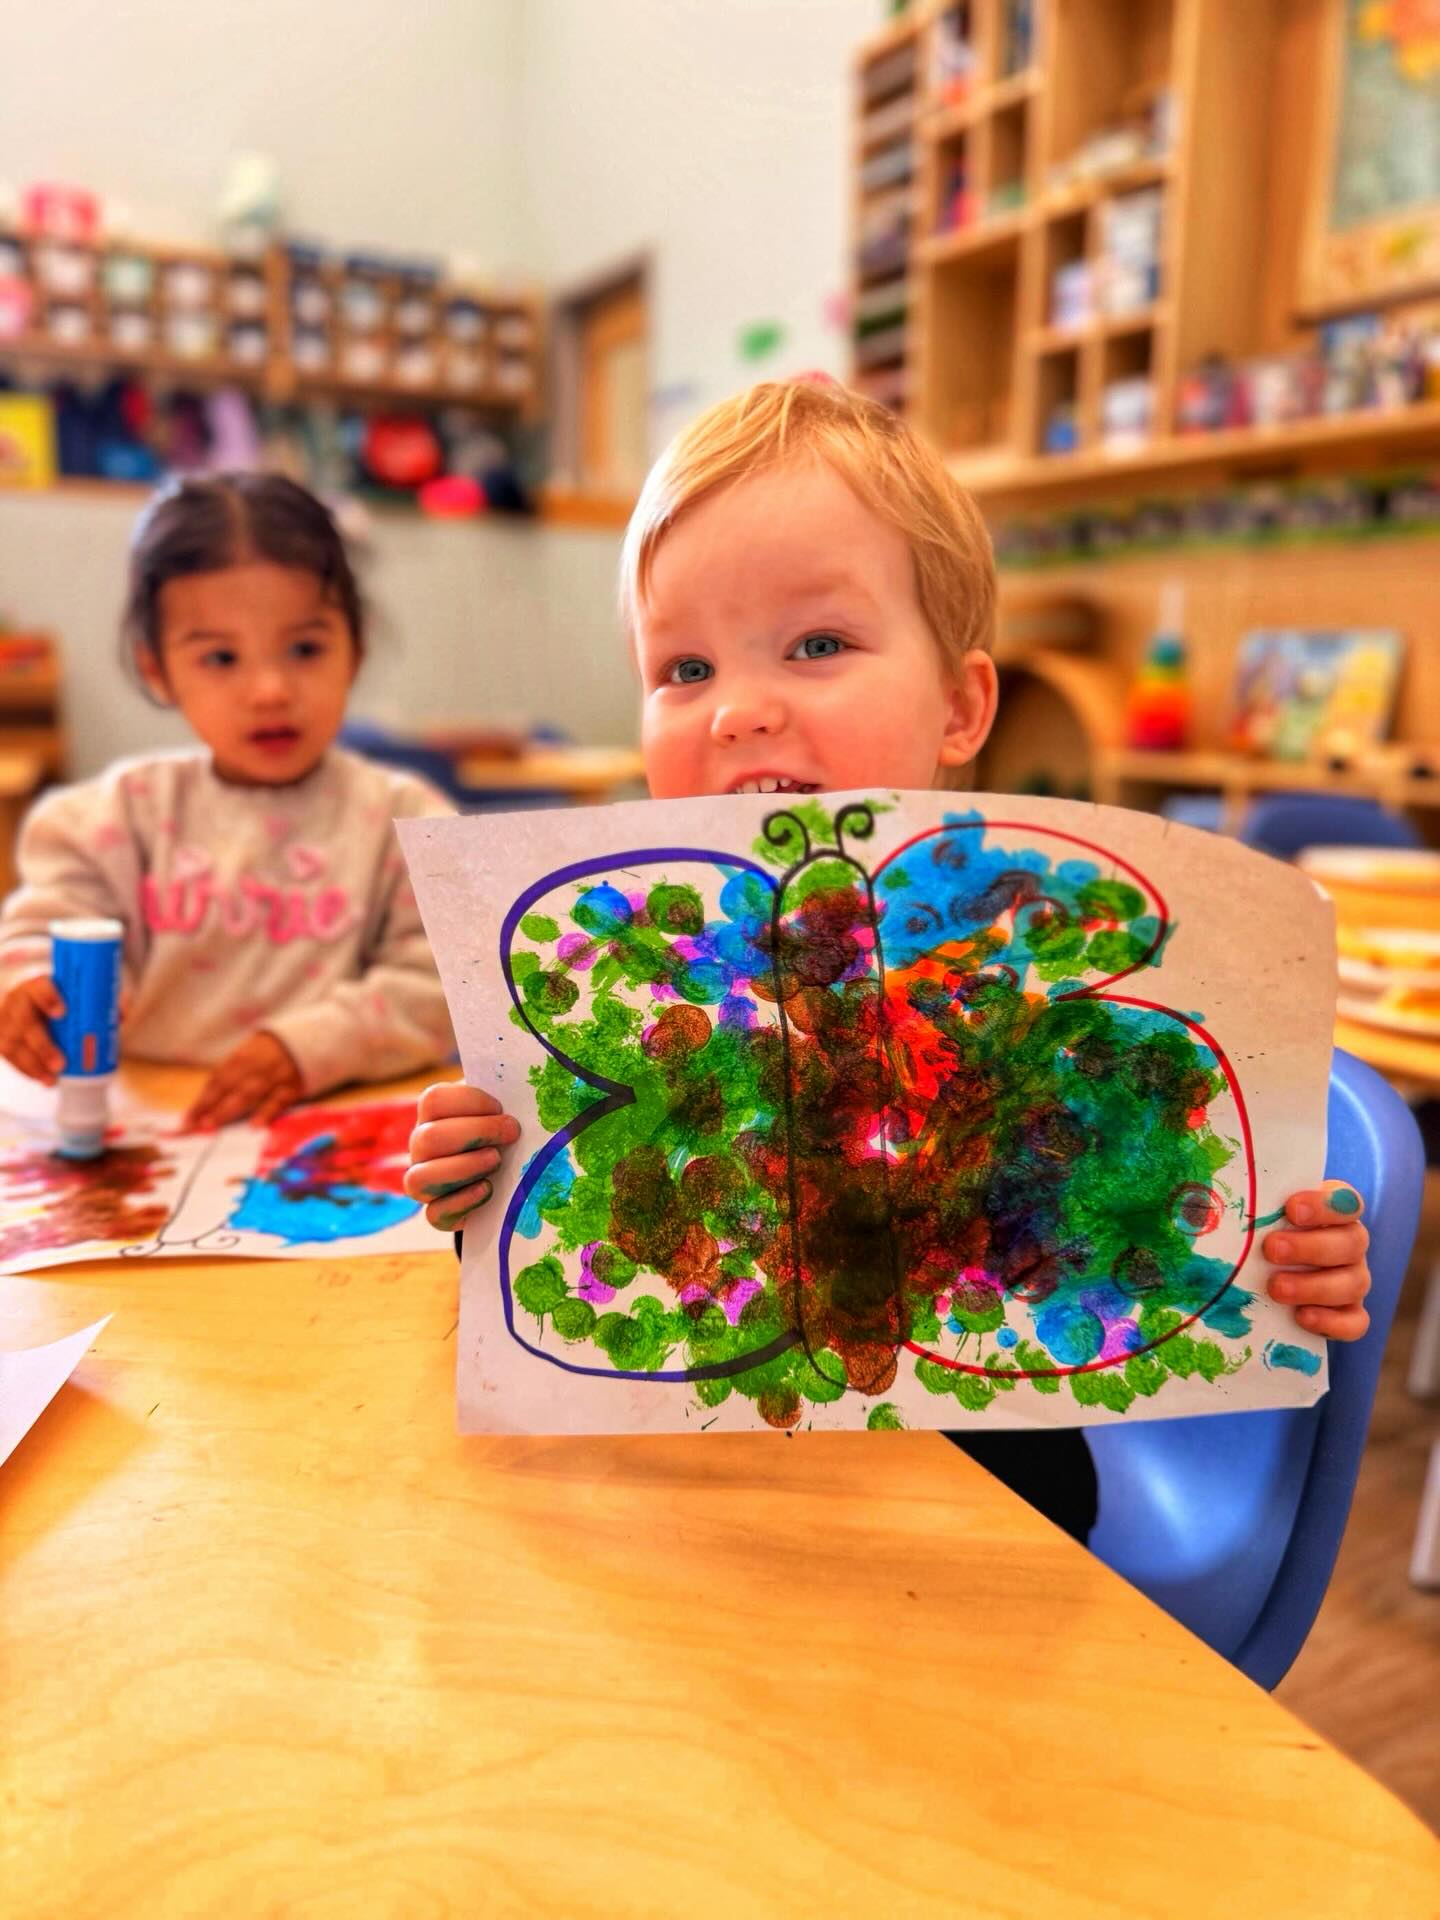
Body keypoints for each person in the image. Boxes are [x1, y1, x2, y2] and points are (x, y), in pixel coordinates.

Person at [401, 379, 1370, 1539]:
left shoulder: (1031, 966)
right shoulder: (648, 971)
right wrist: (479, 1169)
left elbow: (1168, 1222)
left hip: (985, 1504)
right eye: (685, 669)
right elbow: (581, 1226)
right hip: (704, 1490)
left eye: (816, 645)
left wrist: (1295, 1258)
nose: (738, 711)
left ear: (961, 708)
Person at [0, 472, 454, 1128]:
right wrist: (29, 986)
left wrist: (313, 1046)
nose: (269, 689)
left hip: (329, 1130)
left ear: (355, 647)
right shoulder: (113, 819)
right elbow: (48, 925)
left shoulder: (407, 824)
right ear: (157, 669)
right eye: (220, 658)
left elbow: (443, 984)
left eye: (304, 648)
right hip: (148, 1127)